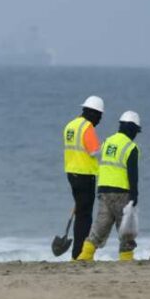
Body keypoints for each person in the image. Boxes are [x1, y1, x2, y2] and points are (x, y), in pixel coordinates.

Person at [78, 111, 141, 262]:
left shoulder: (107, 142)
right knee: (125, 229)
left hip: (103, 190)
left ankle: (85, 256)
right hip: (121, 192)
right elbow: (133, 173)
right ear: (133, 129)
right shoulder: (131, 147)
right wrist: (134, 194)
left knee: (100, 225)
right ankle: (126, 258)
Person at [63, 95, 104, 259]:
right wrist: (104, 145)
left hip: (71, 174)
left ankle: (77, 252)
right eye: (99, 116)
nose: (99, 120)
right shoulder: (87, 127)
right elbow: (94, 150)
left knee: (80, 212)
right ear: (93, 113)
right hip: (85, 175)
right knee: (85, 216)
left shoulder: (70, 125)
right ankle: (79, 253)